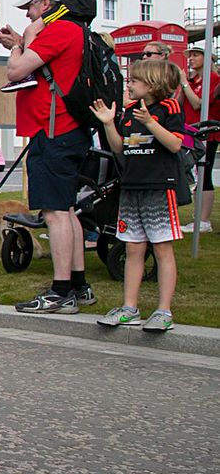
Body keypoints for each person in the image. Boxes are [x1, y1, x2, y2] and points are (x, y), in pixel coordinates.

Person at [0, 0, 94, 313]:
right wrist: (23, 40)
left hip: (54, 129)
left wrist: (16, 47)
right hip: (66, 129)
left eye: (31, 7)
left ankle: (61, 290)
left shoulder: (59, 30)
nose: (27, 13)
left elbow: (16, 71)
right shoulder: (74, 31)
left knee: (54, 213)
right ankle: (78, 286)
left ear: (47, 5)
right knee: (67, 210)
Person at [91, 57, 187, 331]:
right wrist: (109, 123)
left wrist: (152, 124)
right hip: (131, 188)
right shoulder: (129, 111)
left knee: (162, 248)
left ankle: (164, 311)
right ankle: (129, 307)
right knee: (133, 248)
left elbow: (176, 144)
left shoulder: (169, 107)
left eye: (134, 81)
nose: (129, 85)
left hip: (158, 188)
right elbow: (120, 148)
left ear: (153, 83)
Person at [179, 45, 219, 233]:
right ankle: (199, 217)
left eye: (196, 55)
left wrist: (185, 84)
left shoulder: (212, 79)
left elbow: (198, 104)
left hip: (207, 132)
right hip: (190, 131)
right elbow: (179, 103)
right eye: (190, 55)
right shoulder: (194, 79)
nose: (191, 58)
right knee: (198, 172)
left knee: (205, 172)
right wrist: (183, 84)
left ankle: (204, 220)